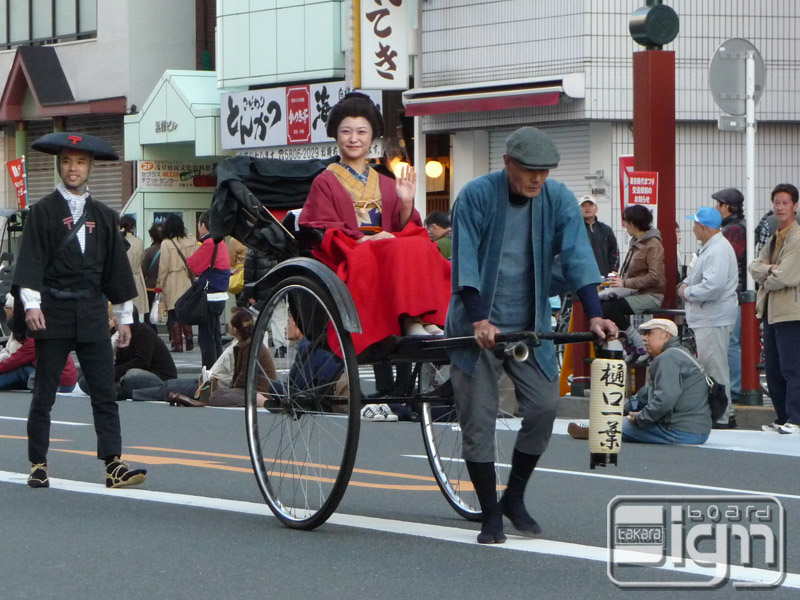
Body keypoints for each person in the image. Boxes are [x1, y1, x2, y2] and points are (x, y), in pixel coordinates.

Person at [446, 126, 617, 544]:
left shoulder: (556, 198)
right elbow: (464, 261)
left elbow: (577, 255)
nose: (536, 179)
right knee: (479, 418)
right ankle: (489, 514)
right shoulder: (476, 195)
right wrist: (478, 319)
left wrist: (594, 315)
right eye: (528, 170)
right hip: (477, 325)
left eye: (544, 171)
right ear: (507, 163)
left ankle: (514, 497)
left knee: (543, 407)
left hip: (530, 324)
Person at [13, 131, 147, 489]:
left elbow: (116, 271)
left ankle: (113, 463)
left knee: (104, 391)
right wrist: (31, 305)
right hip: (53, 309)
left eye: (81, 162)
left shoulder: (104, 215)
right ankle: (38, 462)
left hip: (90, 310)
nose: (74, 168)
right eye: (68, 161)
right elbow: (30, 263)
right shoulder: (42, 211)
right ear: (60, 164)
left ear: (89, 167)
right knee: (44, 392)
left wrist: (123, 318)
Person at [298, 92, 451, 345]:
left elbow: (406, 225)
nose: (354, 139)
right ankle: (409, 319)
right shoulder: (324, 181)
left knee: (419, 243)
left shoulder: (384, 180)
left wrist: (405, 202)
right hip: (352, 251)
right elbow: (322, 227)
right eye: (347, 132)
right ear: (337, 136)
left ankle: (423, 317)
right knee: (392, 246)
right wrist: (364, 239)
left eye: (362, 132)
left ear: (372, 138)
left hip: (386, 247)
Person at [569, 319, 711, 444]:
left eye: (650, 333)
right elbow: (647, 393)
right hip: (697, 431)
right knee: (621, 421)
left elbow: (665, 399)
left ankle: (597, 429)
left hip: (681, 431)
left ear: (666, 336)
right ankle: (600, 425)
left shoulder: (669, 358)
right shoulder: (680, 354)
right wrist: (623, 409)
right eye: (644, 334)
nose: (644, 338)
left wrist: (640, 418)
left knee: (618, 426)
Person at [678, 207, 738, 428]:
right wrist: (687, 284)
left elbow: (713, 286)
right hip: (711, 316)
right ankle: (725, 413)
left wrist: (686, 291)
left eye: (695, 224)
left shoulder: (717, 250)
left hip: (713, 317)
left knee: (714, 368)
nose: (693, 228)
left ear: (703, 227)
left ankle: (722, 417)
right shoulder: (713, 248)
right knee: (715, 366)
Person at [748, 183, 800, 434]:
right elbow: (754, 267)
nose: (780, 207)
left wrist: (766, 276)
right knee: (774, 368)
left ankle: (796, 419)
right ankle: (782, 418)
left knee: (792, 367)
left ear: (795, 206)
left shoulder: (797, 238)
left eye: (785, 203)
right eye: (776, 202)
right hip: (770, 310)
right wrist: (769, 269)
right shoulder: (773, 237)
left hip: (792, 311)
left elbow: (787, 276)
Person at [168, 308, 277, 407]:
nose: (228, 325)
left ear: (234, 329)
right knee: (218, 394)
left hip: (258, 391)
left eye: (230, 323)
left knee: (217, 397)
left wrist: (233, 390)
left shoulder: (249, 346)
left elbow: (244, 377)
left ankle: (260, 401)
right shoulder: (245, 344)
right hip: (251, 389)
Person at [600, 204, 665, 361]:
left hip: (650, 294)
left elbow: (655, 276)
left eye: (626, 223)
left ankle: (636, 342)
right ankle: (628, 343)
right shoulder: (636, 242)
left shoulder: (653, 244)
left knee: (610, 307)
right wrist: (619, 279)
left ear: (632, 223)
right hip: (634, 291)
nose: (625, 226)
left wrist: (625, 282)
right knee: (600, 302)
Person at [0, 294, 77, 392]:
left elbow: (12, 362)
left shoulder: (33, 341)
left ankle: (37, 381)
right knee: (23, 371)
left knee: (21, 371)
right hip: (66, 380)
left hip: (59, 381)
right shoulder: (44, 332)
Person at [712, 188, 746, 403]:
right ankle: (732, 388)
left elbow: (728, 261)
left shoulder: (733, 230)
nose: (716, 208)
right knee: (731, 342)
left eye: (719, 204)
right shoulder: (731, 227)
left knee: (731, 343)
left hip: (734, 293)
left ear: (728, 206)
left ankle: (734, 389)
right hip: (736, 291)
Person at [187, 211, 230, 368]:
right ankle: (218, 369)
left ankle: (210, 372)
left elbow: (193, 265)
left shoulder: (210, 243)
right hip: (220, 296)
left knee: (206, 337)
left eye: (199, 225)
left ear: (203, 226)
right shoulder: (221, 242)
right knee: (215, 335)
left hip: (210, 296)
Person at [110, 308, 177, 400]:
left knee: (132, 375)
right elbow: (117, 361)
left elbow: (141, 363)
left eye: (115, 317)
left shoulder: (144, 332)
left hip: (159, 377)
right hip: (131, 375)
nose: (113, 319)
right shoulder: (119, 334)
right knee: (87, 380)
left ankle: (119, 389)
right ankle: (114, 388)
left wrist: (114, 373)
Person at [157, 214, 197, 352]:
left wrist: (159, 284)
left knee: (174, 312)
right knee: (185, 310)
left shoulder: (166, 243)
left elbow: (164, 267)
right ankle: (189, 336)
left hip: (172, 279)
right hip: (187, 279)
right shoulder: (191, 240)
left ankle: (178, 344)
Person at [580, 194, 619, 278]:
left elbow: (614, 252)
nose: (587, 208)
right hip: (582, 278)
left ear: (596, 209)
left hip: (603, 276)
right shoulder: (575, 230)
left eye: (590, 205)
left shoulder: (606, 230)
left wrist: (613, 271)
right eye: (583, 206)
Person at [119, 215, 148, 320]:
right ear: (132, 227)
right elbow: (141, 260)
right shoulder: (139, 242)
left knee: (122, 313)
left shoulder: (118, 241)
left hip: (121, 281)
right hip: (136, 279)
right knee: (136, 311)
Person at [141, 222, 163, 331]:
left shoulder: (148, 252)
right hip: (164, 287)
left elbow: (142, 271)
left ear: (152, 236)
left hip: (149, 287)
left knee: (148, 314)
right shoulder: (170, 251)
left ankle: (152, 334)